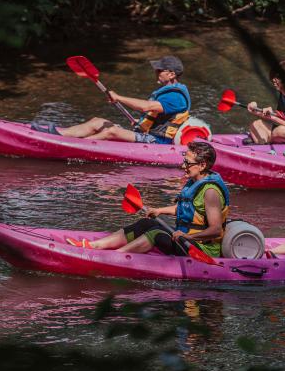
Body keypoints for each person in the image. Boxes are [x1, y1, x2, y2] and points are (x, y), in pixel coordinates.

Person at [66, 142, 230, 258]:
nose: (183, 166)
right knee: (146, 224)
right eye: (184, 160)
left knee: (156, 233)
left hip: (201, 248)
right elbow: (187, 209)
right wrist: (159, 210)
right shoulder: (195, 181)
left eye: (187, 162)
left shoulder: (210, 192)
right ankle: (94, 246)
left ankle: (115, 258)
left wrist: (187, 237)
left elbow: (216, 230)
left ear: (202, 165)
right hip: (184, 238)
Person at [31, 56, 191, 144]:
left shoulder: (176, 97)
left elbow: (146, 107)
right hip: (146, 132)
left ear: (171, 74)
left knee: (111, 131)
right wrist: (140, 121)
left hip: (156, 140)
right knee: (97, 121)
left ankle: (73, 146)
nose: (155, 72)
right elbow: (154, 114)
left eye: (159, 70)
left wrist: (118, 97)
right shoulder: (168, 92)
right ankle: (59, 134)